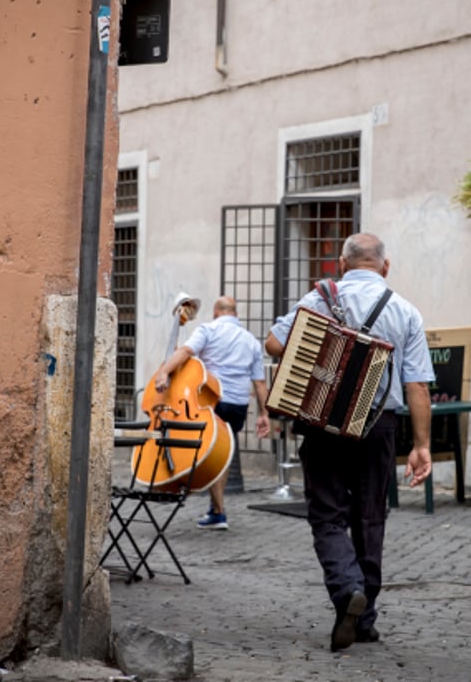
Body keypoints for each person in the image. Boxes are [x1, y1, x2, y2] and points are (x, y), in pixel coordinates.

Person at [265, 233, 433, 652]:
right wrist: (421, 446)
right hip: (379, 427)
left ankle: (347, 593)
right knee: (370, 517)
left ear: (342, 264)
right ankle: (366, 617)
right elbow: (418, 385)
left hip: (324, 422)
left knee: (327, 516)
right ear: (385, 266)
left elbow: (272, 342)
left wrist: (319, 352)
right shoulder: (405, 311)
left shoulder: (318, 298)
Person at [154, 295, 270, 529]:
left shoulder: (208, 330)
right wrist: (264, 414)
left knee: (206, 451)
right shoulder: (251, 341)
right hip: (238, 405)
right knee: (222, 454)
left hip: (213, 399)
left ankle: (210, 504)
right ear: (235, 314)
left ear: (216, 312)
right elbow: (259, 383)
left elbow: (186, 352)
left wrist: (164, 371)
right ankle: (216, 511)